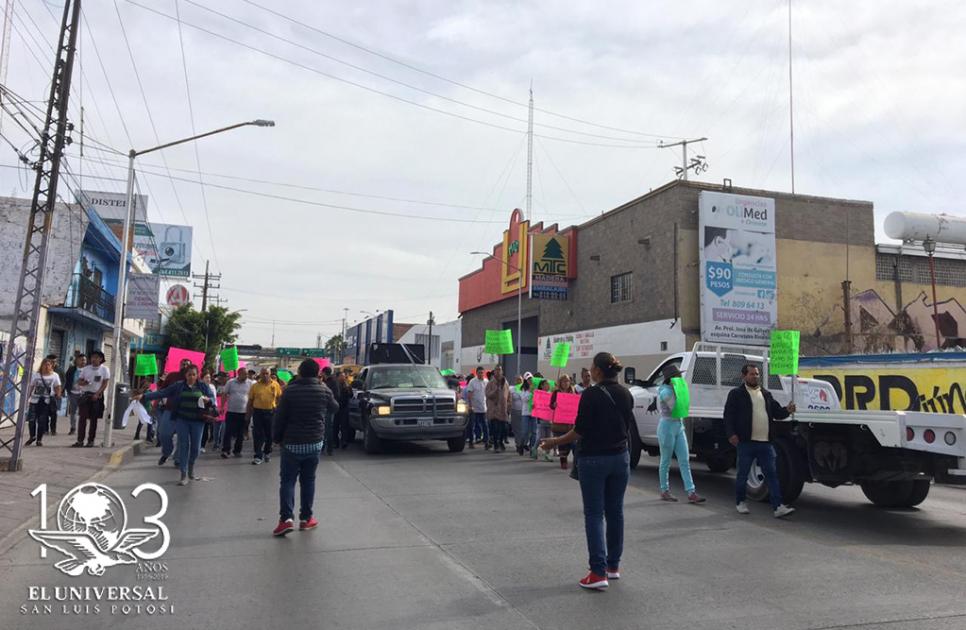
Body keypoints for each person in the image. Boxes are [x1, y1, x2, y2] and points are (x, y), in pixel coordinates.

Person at [540, 352, 633, 590]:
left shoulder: (591, 395)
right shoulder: (625, 393)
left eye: (592, 366)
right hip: (620, 458)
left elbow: (577, 432)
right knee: (615, 513)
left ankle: (597, 571)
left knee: (594, 514)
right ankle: (613, 567)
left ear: (599, 371)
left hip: (594, 460)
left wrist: (553, 442)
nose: (589, 370)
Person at [272, 359, 339, 536]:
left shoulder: (289, 391)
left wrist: (276, 438)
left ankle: (286, 519)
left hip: (292, 443)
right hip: (314, 442)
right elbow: (335, 407)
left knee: (287, 481)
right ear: (318, 373)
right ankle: (306, 519)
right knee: (308, 480)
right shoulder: (324, 390)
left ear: (300, 372)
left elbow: (280, 417)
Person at [724, 364, 797, 519]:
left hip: (765, 443)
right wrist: (731, 434)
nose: (755, 376)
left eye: (757, 374)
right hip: (746, 442)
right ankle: (741, 502)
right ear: (743, 376)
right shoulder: (736, 394)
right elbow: (728, 416)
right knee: (742, 474)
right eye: (751, 374)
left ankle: (778, 507)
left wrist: (788, 410)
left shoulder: (766, 394)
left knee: (772, 475)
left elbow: (777, 412)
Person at [137, 364, 216, 486]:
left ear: (197, 375)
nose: (191, 377)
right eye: (189, 374)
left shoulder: (203, 386)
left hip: (197, 421)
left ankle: (191, 467)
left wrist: (208, 400)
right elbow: (162, 392)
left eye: (193, 374)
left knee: (195, 449)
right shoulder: (178, 386)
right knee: (183, 445)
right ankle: (183, 474)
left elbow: (212, 398)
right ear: (185, 375)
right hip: (182, 420)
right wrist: (145, 396)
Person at [656, 365, 705, 504]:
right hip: (667, 426)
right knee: (665, 460)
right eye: (677, 376)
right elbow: (675, 406)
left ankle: (691, 492)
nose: (680, 378)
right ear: (671, 379)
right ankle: (664, 490)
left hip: (678, 425)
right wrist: (681, 393)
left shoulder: (674, 389)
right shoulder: (665, 391)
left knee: (684, 460)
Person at [156, 359, 192, 466]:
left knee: (183, 437)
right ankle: (167, 452)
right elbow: (162, 390)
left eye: (187, 364)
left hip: (185, 413)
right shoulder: (172, 376)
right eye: (183, 364)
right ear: (180, 365)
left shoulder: (193, 379)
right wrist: (155, 404)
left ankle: (178, 459)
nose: (184, 366)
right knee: (163, 433)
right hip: (170, 410)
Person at [73, 350, 109, 448]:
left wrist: (97, 394)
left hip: (96, 397)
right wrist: (83, 383)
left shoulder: (104, 369)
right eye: (93, 357)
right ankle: (80, 441)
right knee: (82, 419)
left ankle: (90, 441)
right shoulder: (86, 369)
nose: (94, 359)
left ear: (101, 359)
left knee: (93, 420)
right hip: (85, 395)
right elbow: (79, 381)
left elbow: (105, 383)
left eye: (97, 357)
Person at [25, 358, 61, 447]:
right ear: (41, 365)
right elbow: (31, 386)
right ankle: (32, 436)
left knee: (41, 421)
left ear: (51, 366)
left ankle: (39, 439)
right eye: (44, 364)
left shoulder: (54, 375)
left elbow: (58, 386)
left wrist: (58, 394)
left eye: (48, 365)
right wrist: (27, 398)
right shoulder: (36, 375)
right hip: (35, 400)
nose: (46, 366)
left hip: (46, 401)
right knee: (31, 420)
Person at [249, 368, 282, 465]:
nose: (265, 375)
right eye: (263, 373)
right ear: (260, 374)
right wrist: (248, 413)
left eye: (267, 373)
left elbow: (279, 397)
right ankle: (258, 455)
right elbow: (250, 400)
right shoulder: (255, 386)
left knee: (270, 434)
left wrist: (277, 408)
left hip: (271, 412)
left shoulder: (275, 385)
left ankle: (267, 452)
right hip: (258, 412)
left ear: (270, 374)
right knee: (258, 434)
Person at [221, 368, 252, 458]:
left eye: (246, 374)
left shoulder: (250, 383)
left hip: (244, 412)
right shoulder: (230, 382)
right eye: (244, 374)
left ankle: (237, 450)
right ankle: (226, 450)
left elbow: (252, 397)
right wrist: (222, 406)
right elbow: (224, 394)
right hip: (231, 411)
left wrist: (250, 411)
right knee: (228, 432)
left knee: (240, 433)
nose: (246, 376)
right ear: (239, 374)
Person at [550, 374, 578, 470]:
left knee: (573, 443)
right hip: (559, 422)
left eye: (567, 381)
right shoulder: (556, 393)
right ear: (560, 383)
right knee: (562, 443)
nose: (565, 383)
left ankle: (575, 461)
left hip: (571, 423)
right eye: (563, 381)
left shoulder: (574, 391)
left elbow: (577, 402)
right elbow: (551, 405)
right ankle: (563, 460)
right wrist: (554, 404)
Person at [484, 365, 511, 452]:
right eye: (496, 370)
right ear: (494, 372)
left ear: (502, 371)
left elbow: (508, 395)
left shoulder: (505, 383)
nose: (498, 371)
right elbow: (488, 394)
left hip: (503, 409)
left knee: (504, 428)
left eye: (499, 370)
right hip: (494, 409)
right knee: (495, 428)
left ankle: (501, 442)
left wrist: (509, 404)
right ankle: (496, 445)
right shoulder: (490, 383)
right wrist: (496, 390)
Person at [465, 367, 488, 449]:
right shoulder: (472, 382)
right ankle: (471, 442)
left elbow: (487, 394)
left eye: (482, 372)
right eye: (479, 372)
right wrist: (470, 406)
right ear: (476, 373)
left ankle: (486, 442)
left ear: (484, 373)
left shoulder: (486, 382)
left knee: (485, 425)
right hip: (474, 408)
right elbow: (469, 394)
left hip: (483, 407)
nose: (481, 374)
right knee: (472, 425)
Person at [64, 354, 85, 436]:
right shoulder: (71, 369)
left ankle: (81, 428)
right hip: (72, 393)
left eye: (84, 360)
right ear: (77, 360)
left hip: (83, 394)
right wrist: (66, 390)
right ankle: (73, 428)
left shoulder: (87, 370)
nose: (83, 361)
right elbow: (67, 379)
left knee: (83, 412)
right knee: (73, 412)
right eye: (81, 359)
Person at [321, 366, 340, 455]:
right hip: (325, 407)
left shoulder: (332, 382)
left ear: (324, 373)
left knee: (328, 428)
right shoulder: (326, 381)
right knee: (325, 428)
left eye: (322, 372)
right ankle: (323, 447)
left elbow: (336, 395)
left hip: (329, 408)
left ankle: (329, 448)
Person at [516, 373, 535, 456]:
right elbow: (524, 399)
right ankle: (521, 445)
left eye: (531, 378)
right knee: (525, 432)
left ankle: (532, 448)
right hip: (526, 413)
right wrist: (531, 392)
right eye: (528, 379)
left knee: (534, 432)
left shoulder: (536, 387)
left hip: (534, 413)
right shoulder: (522, 389)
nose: (530, 380)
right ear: (525, 380)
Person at [534, 378, 553, 461]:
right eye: (546, 384)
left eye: (548, 384)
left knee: (549, 438)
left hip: (549, 419)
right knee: (540, 437)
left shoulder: (551, 395)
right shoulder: (538, 394)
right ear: (542, 386)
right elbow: (535, 405)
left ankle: (547, 454)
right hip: (541, 419)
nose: (548, 385)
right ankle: (534, 449)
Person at [44, 354, 64, 435]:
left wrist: (59, 392)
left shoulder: (59, 370)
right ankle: (45, 429)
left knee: (53, 414)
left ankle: (53, 429)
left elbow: (63, 381)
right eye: (51, 361)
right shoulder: (44, 369)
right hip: (44, 395)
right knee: (44, 413)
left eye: (54, 362)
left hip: (54, 395)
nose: (53, 363)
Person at [336, 371, 353, 448]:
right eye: (341, 376)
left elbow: (351, 395)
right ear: (338, 377)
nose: (343, 377)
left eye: (344, 376)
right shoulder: (335, 385)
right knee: (335, 426)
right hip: (336, 407)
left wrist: (348, 389)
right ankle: (335, 442)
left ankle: (344, 441)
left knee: (344, 426)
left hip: (344, 408)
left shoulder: (347, 385)